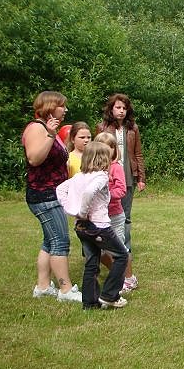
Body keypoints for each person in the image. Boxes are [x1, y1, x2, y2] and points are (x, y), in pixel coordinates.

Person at [21, 91, 81, 303]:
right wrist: (50, 135)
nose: (65, 110)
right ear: (50, 106)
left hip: (53, 192)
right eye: (62, 106)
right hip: (44, 194)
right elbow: (34, 158)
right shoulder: (37, 128)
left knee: (49, 240)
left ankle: (43, 286)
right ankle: (65, 290)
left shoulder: (47, 129)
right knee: (60, 241)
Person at [57, 142, 129, 309]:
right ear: (103, 158)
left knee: (92, 262)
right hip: (99, 226)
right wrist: (81, 210)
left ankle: (89, 303)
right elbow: (90, 192)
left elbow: (60, 189)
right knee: (121, 256)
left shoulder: (78, 177)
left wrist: (70, 208)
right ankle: (109, 295)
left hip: (81, 227)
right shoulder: (101, 176)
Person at [96, 93, 145, 293]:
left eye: (124, 108)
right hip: (107, 179)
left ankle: (125, 255)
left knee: (125, 218)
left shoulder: (132, 129)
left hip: (128, 177)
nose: (121, 111)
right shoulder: (101, 128)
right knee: (104, 218)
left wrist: (141, 177)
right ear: (111, 109)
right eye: (117, 107)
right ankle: (106, 255)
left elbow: (138, 154)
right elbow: (95, 152)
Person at [93, 132, 128, 280]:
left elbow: (121, 190)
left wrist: (105, 195)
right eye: (104, 147)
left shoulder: (116, 168)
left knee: (119, 248)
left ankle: (126, 277)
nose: (108, 150)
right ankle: (117, 273)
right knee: (99, 251)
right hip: (97, 217)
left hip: (115, 215)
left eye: (111, 147)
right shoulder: (92, 168)